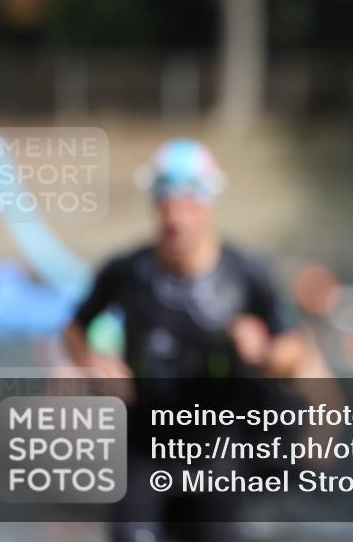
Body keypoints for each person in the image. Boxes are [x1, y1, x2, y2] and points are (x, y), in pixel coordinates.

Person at [62, 138, 332, 542]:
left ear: (208, 206)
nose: (177, 218)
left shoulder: (245, 275)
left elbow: (294, 351)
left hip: (216, 449)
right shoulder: (127, 271)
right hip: (143, 444)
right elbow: (74, 328)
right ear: (154, 206)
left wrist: (263, 353)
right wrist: (93, 361)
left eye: (188, 206)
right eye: (167, 205)